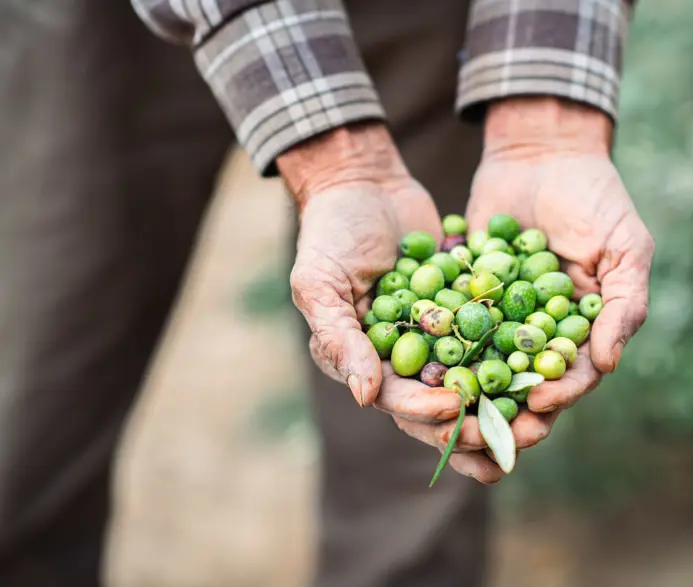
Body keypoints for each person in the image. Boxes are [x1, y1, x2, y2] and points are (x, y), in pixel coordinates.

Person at [0, 0, 653, 585]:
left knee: (411, 498)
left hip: (429, 18)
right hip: (108, 27)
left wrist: (548, 115)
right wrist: (335, 154)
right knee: (28, 423)